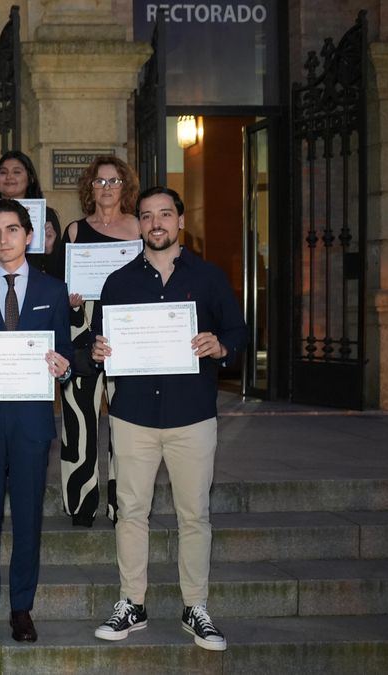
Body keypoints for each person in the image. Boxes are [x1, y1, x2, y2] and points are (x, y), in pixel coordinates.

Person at [89, 187, 246, 652]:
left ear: (180, 219)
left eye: (164, 214)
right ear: (137, 225)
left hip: (192, 415)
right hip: (133, 415)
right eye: (147, 216)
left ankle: (195, 607)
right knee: (131, 512)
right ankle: (131, 604)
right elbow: (102, 343)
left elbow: (237, 331)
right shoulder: (118, 282)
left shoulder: (210, 277)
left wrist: (221, 346)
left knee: (194, 514)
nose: (155, 223)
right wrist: (99, 350)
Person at [0, 199, 72, 643]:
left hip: (31, 423)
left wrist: (65, 366)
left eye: (11, 230)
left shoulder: (52, 291)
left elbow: (66, 353)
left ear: (28, 234)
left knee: (27, 520)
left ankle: (22, 607)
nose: (3, 239)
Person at [60, 155, 141, 528]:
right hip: (82, 329)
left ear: (125, 186)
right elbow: (60, 286)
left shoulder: (141, 229)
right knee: (79, 421)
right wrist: (71, 302)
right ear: (88, 188)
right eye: (99, 182)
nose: (106, 188)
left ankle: (122, 506)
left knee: (126, 425)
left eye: (113, 181)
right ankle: (81, 504)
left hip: (128, 332)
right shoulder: (75, 232)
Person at [0, 150, 63, 279]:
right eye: (3, 172)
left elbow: (56, 272)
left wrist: (49, 251)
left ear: (30, 179)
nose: (9, 177)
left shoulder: (46, 215)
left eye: (16, 172)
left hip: (35, 289)